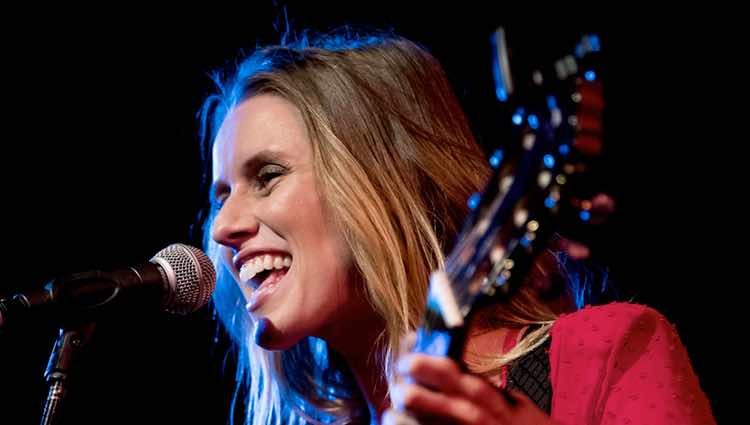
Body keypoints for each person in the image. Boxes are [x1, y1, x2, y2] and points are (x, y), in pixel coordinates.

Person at [200, 28, 715, 424]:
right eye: (221, 196)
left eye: (268, 176)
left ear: (384, 183)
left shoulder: (603, 353)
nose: (222, 225)